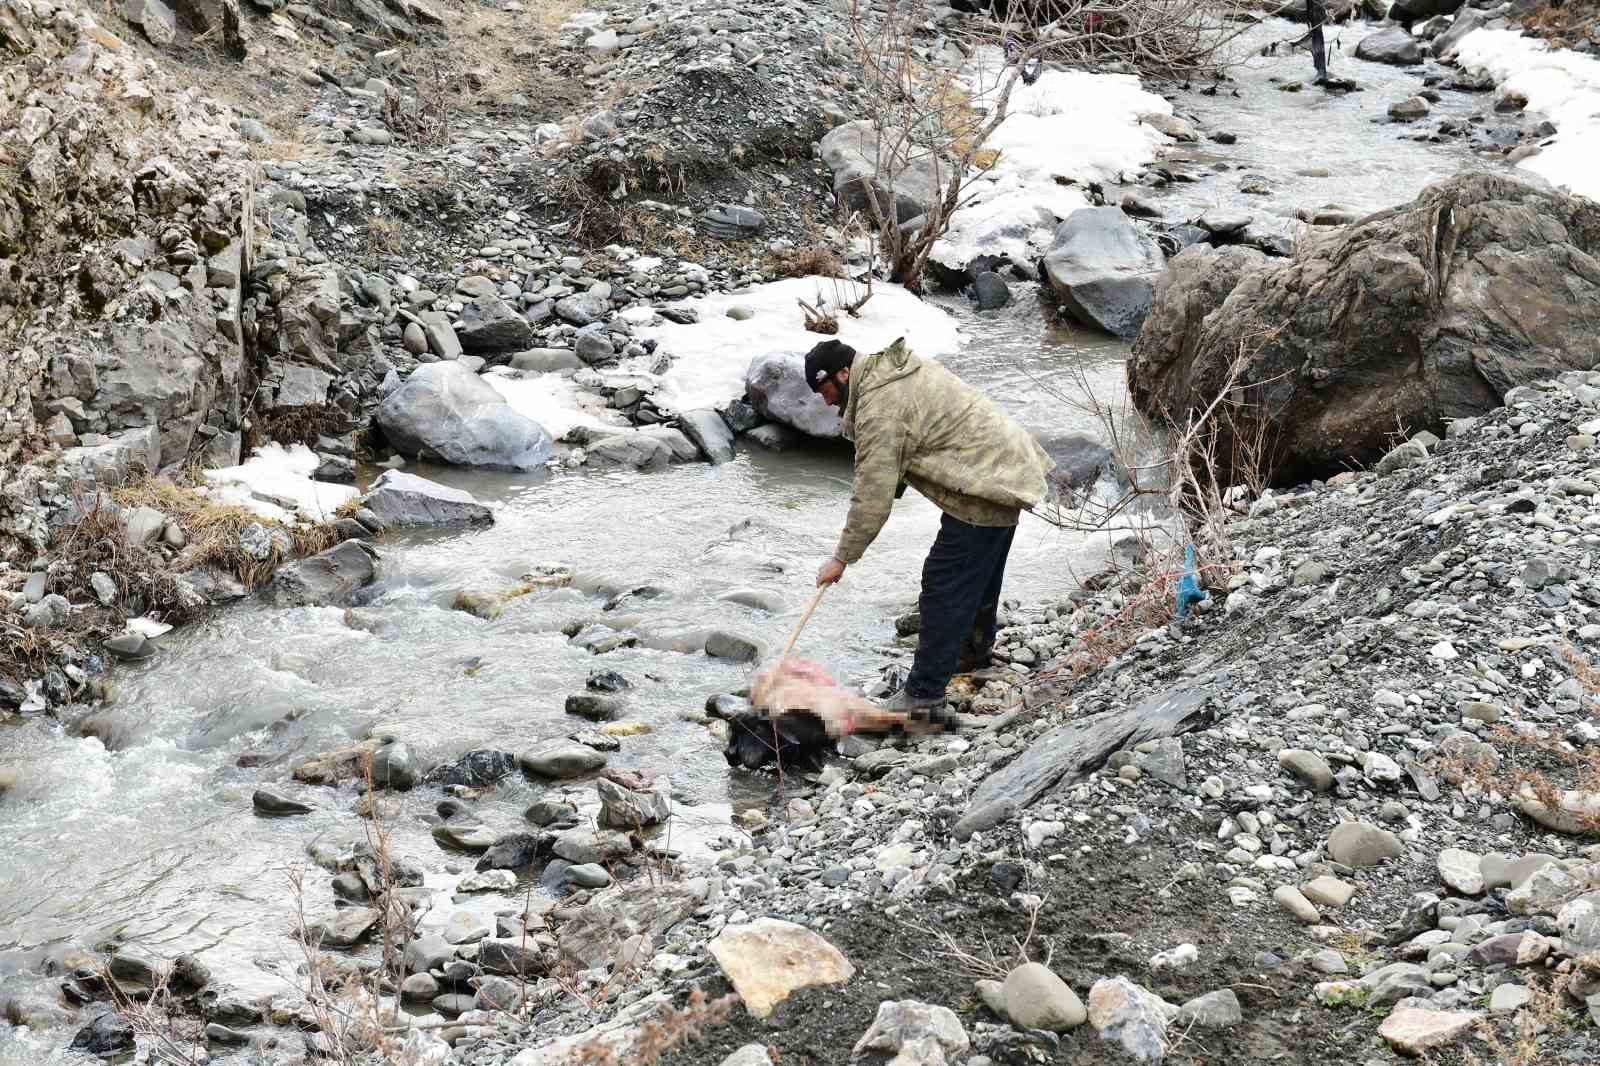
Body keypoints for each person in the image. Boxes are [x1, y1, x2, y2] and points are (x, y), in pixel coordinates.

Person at [805, 336, 1056, 712]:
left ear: (843, 374)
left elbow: (872, 494)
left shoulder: (878, 406)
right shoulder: (890, 372)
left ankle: (924, 693)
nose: (826, 402)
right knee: (979, 570)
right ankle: (972, 653)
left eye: (824, 391)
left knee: (943, 582)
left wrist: (841, 558)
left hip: (988, 481)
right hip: (1006, 466)